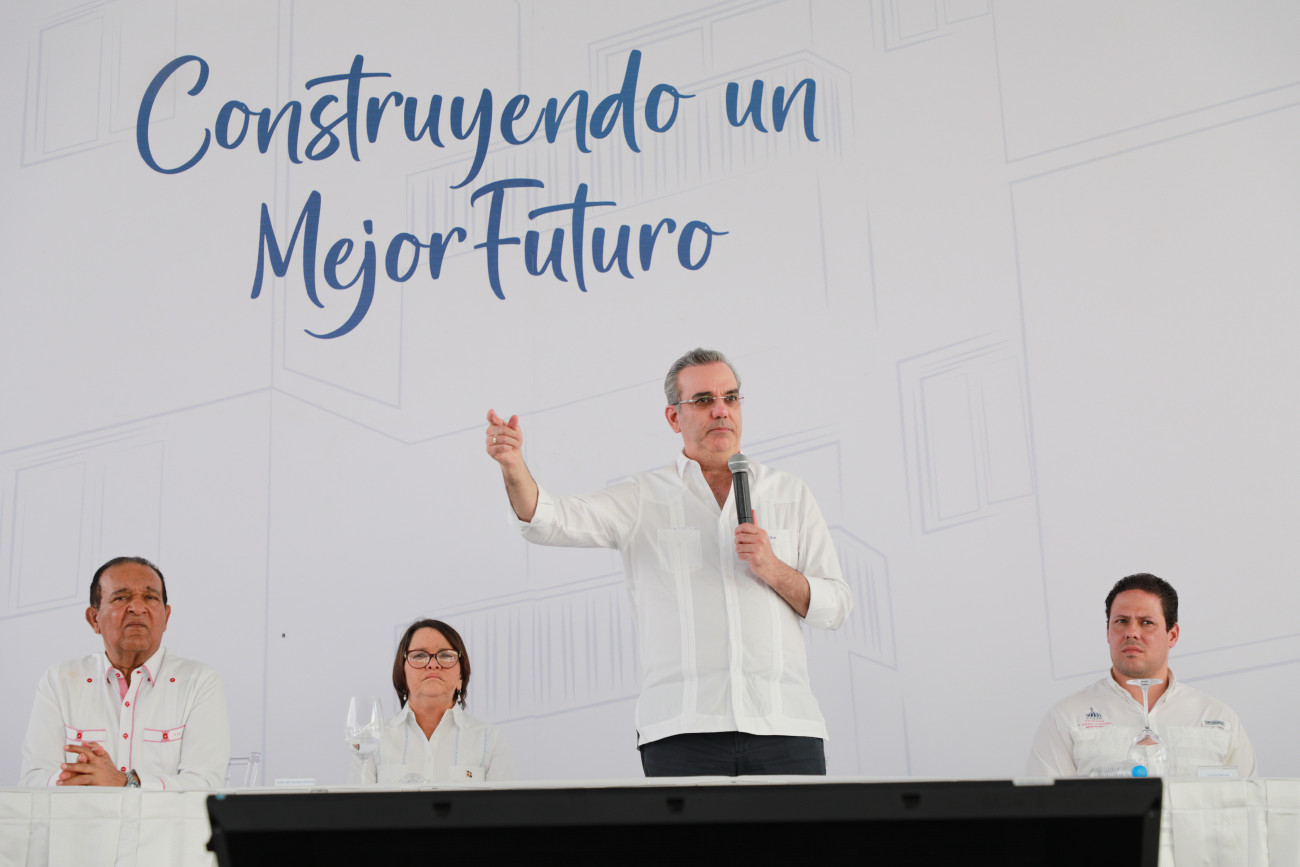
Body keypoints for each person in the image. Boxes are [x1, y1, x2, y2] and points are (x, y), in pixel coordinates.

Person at [485, 348, 851, 776]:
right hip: (682, 732)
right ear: (674, 418)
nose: (720, 410)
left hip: (786, 728)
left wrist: (774, 568)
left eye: (730, 398)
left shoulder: (790, 492)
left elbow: (836, 607)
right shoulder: (643, 497)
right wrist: (513, 467)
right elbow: (549, 521)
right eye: (703, 400)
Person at [18, 556, 230, 789]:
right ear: (94, 619)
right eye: (121, 597)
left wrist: (124, 782)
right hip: (82, 815)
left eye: (150, 597)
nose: (137, 608)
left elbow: (205, 783)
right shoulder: (60, 680)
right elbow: (33, 780)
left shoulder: (198, 681)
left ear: (166, 617)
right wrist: (82, 777)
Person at [1027, 573, 1257, 778]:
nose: (1132, 632)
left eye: (1147, 622)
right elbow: (1045, 808)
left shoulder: (1219, 719)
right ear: (1108, 632)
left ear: (1172, 635)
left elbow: (1251, 806)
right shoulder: (1066, 718)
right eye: (1121, 621)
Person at [350, 619, 515, 784]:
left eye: (446, 655)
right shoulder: (372, 740)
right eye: (419, 655)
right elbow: (358, 800)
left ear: (461, 677)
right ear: (402, 673)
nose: (433, 664)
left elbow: (503, 802)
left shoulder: (490, 740)